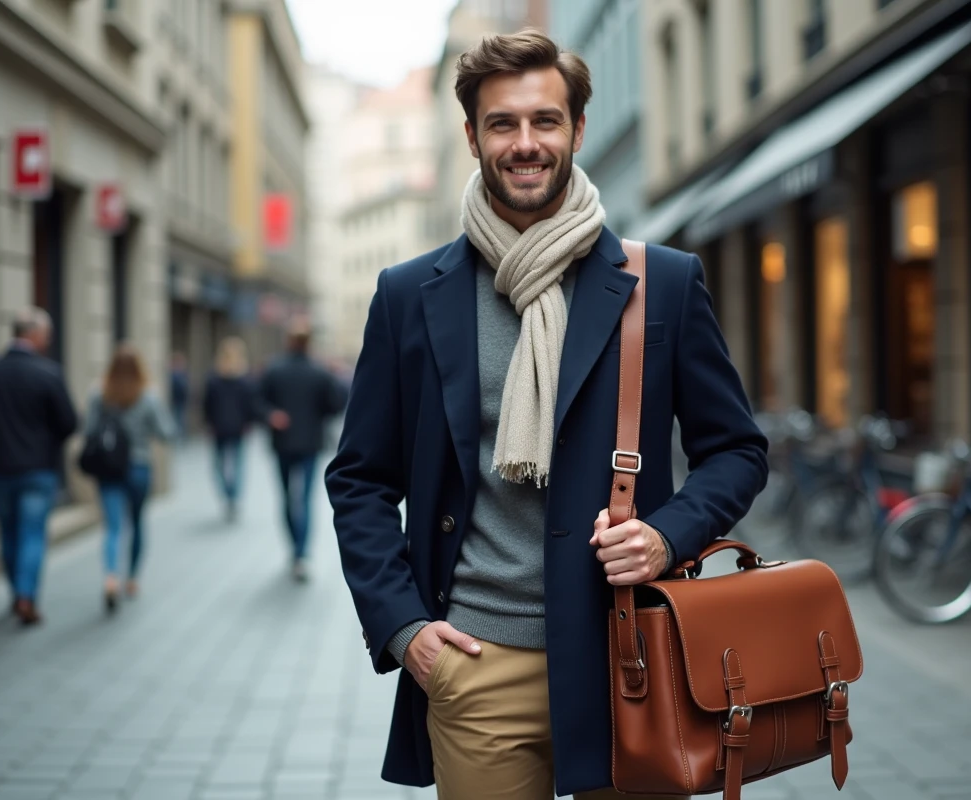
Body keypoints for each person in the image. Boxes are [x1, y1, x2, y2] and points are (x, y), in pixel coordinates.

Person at [324, 30, 768, 800]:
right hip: (474, 666)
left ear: (577, 130)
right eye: (502, 124)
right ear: (471, 136)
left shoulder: (659, 282)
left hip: (632, 652)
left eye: (545, 121)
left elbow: (736, 450)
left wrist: (667, 535)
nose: (525, 143)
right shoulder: (408, 295)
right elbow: (360, 479)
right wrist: (406, 631)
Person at [0, 307, 78, 626]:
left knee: (9, 533)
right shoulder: (49, 374)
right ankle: (26, 595)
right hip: (38, 469)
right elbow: (69, 423)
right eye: (47, 335)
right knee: (32, 534)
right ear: (35, 335)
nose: (49, 341)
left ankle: (17, 592)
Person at [84, 343, 174, 611]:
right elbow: (167, 433)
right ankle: (132, 579)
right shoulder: (148, 396)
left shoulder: (99, 394)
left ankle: (111, 577)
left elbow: (88, 431)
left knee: (112, 527)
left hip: (109, 468)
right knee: (136, 524)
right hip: (138, 467)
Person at [260, 320, 347, 582]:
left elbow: (257, 400)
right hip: (309, 443)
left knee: (287, 497)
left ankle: (295, 549)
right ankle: (301, 553)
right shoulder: (319, 372)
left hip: (283, 442)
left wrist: (271, 414)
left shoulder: (274, 369)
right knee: (306, 499)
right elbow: (336, 404)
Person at [203, 337, 258, 520]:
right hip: (237, 428)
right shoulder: (243, 380)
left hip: (219, 427)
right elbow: (250, 405)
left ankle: (228, 494)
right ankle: (233, 495)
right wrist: (248, 422)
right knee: (238, 464)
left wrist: (209, 423)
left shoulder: (214, 379)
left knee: (219, 464)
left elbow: (206, 405)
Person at [169, 352, 189, 439]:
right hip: (175, 401)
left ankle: (180, 436)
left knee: (180, 420)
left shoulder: (182, 374)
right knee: (176, 420)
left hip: (180, 401)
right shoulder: (174, 375)